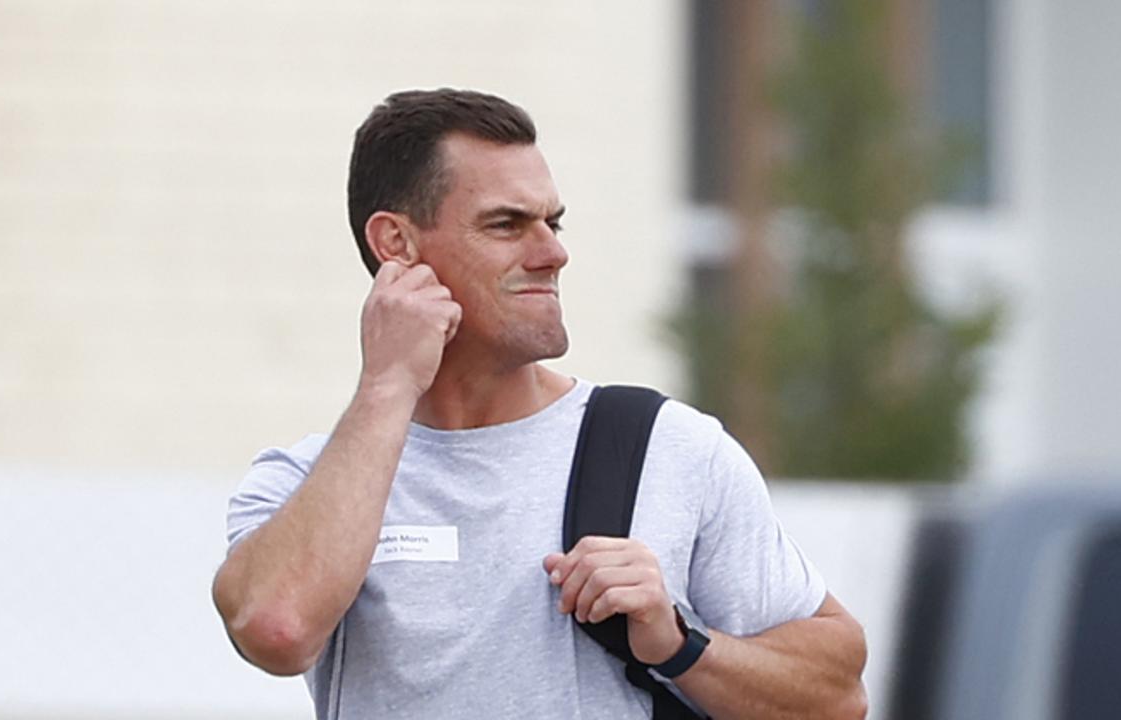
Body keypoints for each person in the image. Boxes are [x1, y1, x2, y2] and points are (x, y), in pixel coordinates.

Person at [211, 88, 867, 719]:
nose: (553, 253)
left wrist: (680, 643)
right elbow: (277, 627)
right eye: (507, 225)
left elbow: (839, 695)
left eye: (551, 223)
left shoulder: (671, 450)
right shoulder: (302, 484)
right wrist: (386, 384)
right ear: (396, 245)